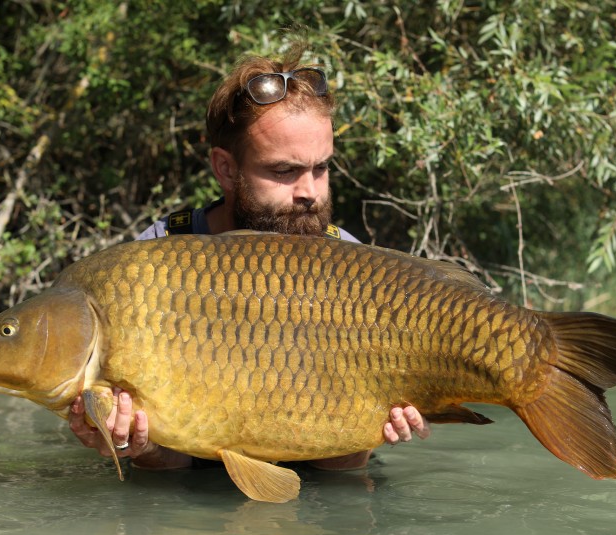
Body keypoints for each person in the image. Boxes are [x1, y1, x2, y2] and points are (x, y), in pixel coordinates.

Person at [68, 42, 430, 472]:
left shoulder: (353, 265)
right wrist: (136, 446)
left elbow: (337, 474)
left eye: (321, 168)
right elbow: (171, 470)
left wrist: (370, 435)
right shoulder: (152, 259)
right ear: (225, 168)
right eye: (283, 171)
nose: (309, 193)